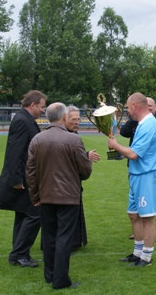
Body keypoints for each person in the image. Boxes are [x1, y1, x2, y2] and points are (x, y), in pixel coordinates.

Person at [27, 102, 92, 290]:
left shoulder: (37, 140)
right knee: (64, 237)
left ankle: (50, 275)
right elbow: (85, 171)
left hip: (46, 196)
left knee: (49, 236)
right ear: (64, 117)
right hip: (68, 197)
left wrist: (35, 196)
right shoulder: (73, 140)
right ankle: (61, 279)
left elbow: (30, 172)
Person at [0, 90, 47, 267]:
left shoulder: (24, 119)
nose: (43, 110)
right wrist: (16, 180)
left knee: (23, 214)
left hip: (24, 177)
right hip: (22, 179)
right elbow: (15, 152)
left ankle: (20, 254)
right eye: (42, 107)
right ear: (32, 105)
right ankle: (19, 254)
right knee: (35, 214)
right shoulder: (22, 121)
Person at [108, 93, 156, 267]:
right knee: (133, 214)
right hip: (137, 175)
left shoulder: (148, 125)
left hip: (146, 176)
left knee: (147, 217)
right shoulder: (143, 124)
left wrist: (115, 145)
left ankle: (146, 257)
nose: (127, 111)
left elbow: (133, 154)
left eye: (127, 107)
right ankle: (138, 251)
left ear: (134, 106)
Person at [65, 106, 101, 250]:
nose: (77, 122)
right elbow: (66, 158)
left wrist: (85, 155)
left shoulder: (73, 134)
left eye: (78, 119)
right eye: (73, 119)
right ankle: (69, 243)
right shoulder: (67, 136)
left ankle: (74, 241)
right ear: (64, 119)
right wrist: (85, 157)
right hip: (66, 182)